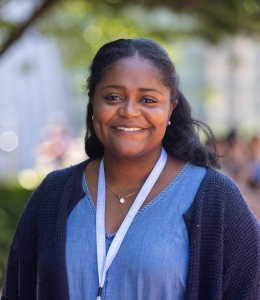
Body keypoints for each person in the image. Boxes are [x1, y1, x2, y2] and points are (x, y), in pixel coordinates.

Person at [2, 38, 260, 300]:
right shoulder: (53, 195)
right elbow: (16, 291)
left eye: (148, 100)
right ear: (93, 102)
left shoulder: (215, 197)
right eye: (113, 97)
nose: (129, 111)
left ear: (170, 108)